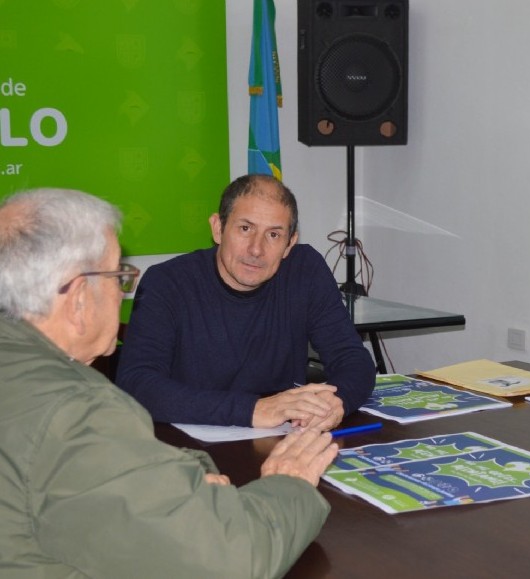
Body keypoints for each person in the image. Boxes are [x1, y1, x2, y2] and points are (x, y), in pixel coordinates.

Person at [0, 188, 338, 577]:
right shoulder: (80, 411)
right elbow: (232, 560)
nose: (123, 291)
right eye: (118, 277)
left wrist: (175, 478)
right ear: (78, 300)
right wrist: (289, 484)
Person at [116, 174, 376, 429]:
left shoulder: (305, 270)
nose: (256, 249)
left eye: (273, 235)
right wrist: (252, 410)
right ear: (218, 228)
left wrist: (336, 402)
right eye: (245, 228)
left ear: (289, 244)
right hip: (190, 446)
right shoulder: (168, 282)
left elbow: (352, 358)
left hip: (279, 438)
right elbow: (137, 384)